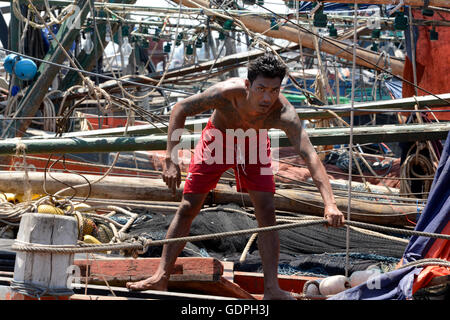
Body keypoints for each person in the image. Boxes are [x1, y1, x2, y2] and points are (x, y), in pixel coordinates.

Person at [126, 53, 345, 300]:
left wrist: (330, 203)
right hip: (217, 139)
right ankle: (160, 277)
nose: (266, 97)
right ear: (247, 85)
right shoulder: (226, 93)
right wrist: (171, 158)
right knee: (189, 205)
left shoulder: (284, 114)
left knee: (267, 211)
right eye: (261, 88)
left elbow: (311, 157)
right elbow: (180, 108)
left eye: (273, 90)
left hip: (254, 144)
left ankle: (271, 289)